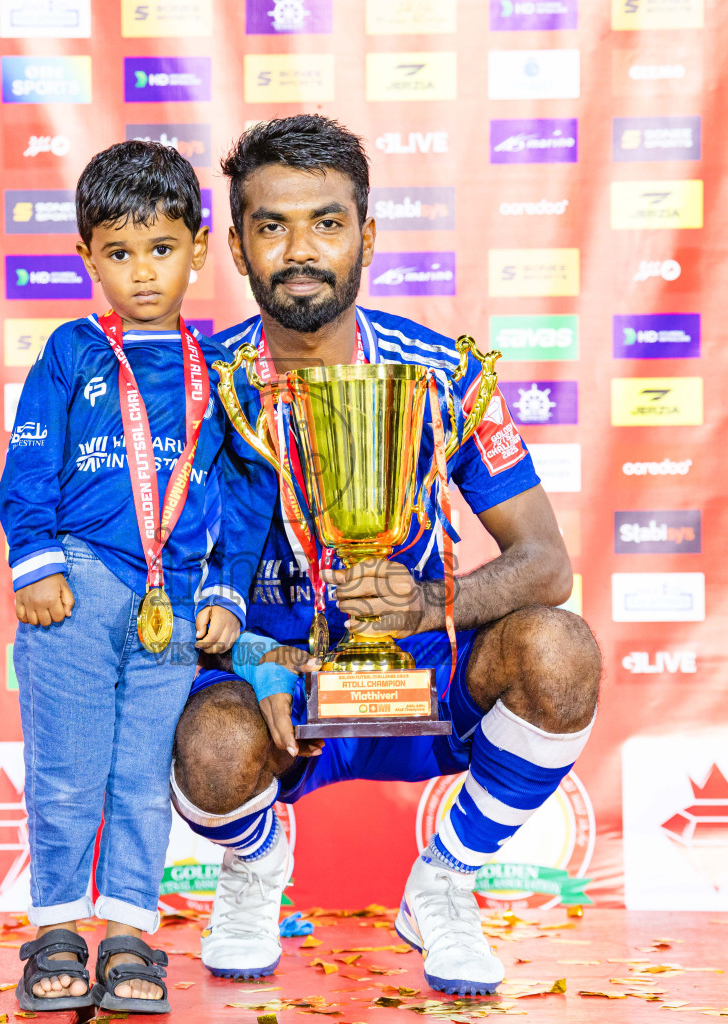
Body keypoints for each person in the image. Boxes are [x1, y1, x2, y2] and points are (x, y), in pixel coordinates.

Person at [168, 116, 602, 996]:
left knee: (559, 650)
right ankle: (253, 870)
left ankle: (443, 884)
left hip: (423, 682)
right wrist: (253, 660)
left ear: (365, 237)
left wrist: (423, 605)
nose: (299, 250)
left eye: (326, 223)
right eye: (271, 225)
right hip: (273, 697)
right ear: (238, 245)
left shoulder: (442, 372)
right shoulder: (194, 384)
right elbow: (157, 589)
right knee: (207, 746)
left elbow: (544, 564)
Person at [0, 140, 273, 1015]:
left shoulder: (218, 366)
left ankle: (127, 934)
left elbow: (244, 490)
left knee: (141, 775)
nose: (142, 272)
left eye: (160, 249)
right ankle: (54, 931)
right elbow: (27, 464)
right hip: (75, 588)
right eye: (118, 253)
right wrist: (36, 561)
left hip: (178, 600)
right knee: (66, 770)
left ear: (198, 246)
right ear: (86, 258)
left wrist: (226, 591)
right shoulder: (72, 351)